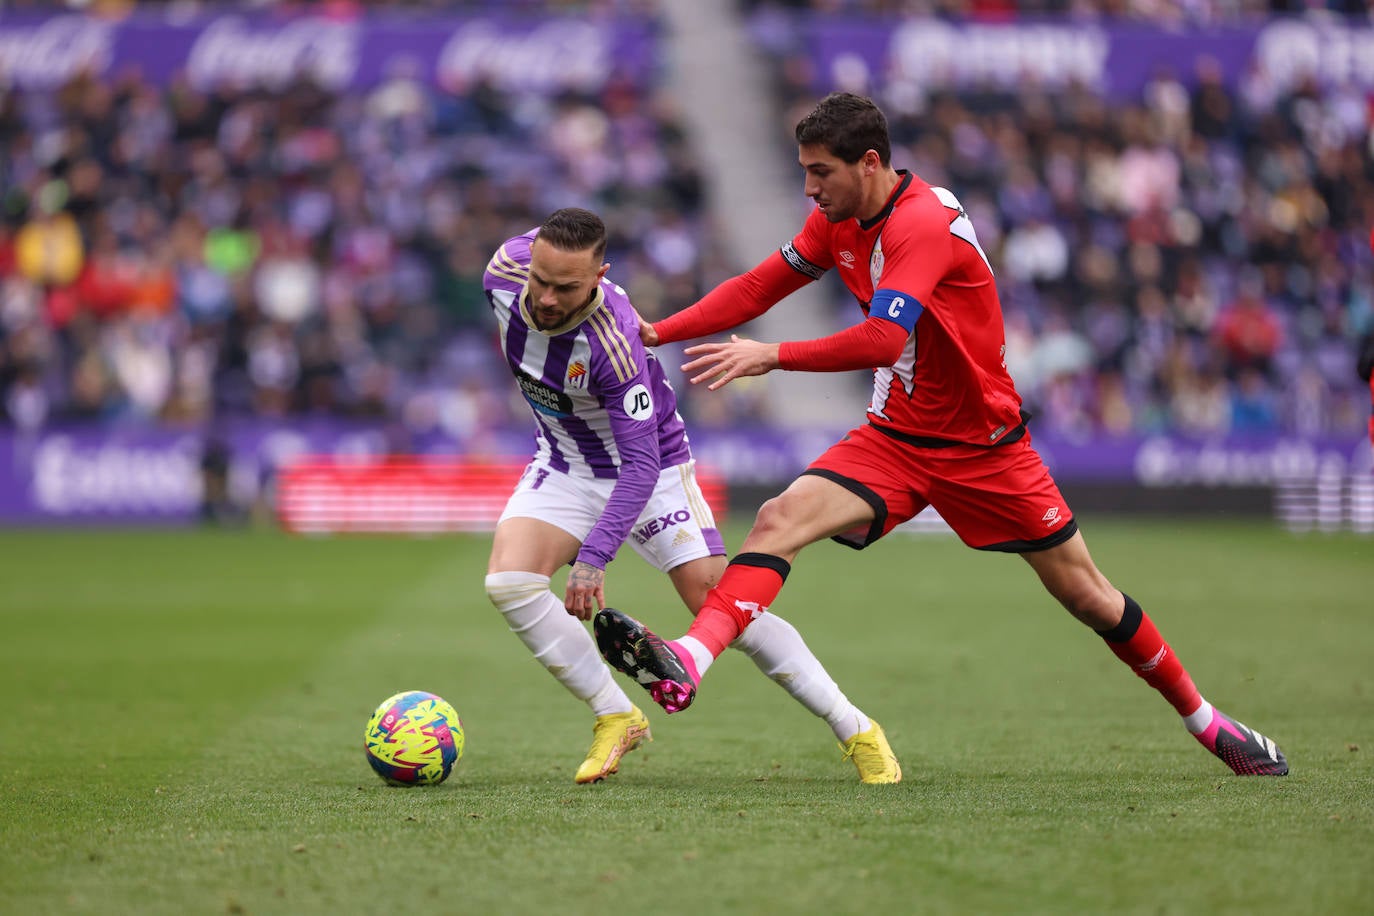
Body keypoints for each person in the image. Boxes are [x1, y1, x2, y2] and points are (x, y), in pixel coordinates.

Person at [593, 94, 1288, 777]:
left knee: (1089, 598)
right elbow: (758, 286)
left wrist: (773, 356)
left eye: (820, 172)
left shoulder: (920, 224)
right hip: (895, 438)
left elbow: (883, 336)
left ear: (869, 163)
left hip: (987, 448)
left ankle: (1206, 720)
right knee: (779, 518)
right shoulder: (835, 220)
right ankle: (689, 659)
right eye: (804, 171)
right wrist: (660, 330)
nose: (809, 189)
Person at [482, 207, 902, 784]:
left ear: (600, 276)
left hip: (649, 474)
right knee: (509, 582)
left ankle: (856, 728)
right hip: (565, 462)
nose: (549, 298)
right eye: (543, 281)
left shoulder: (616, 345)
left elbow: (640, 463)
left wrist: (592, 559)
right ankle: (615, 715)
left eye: (567, 287)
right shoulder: (504, 269)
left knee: (724, 607)